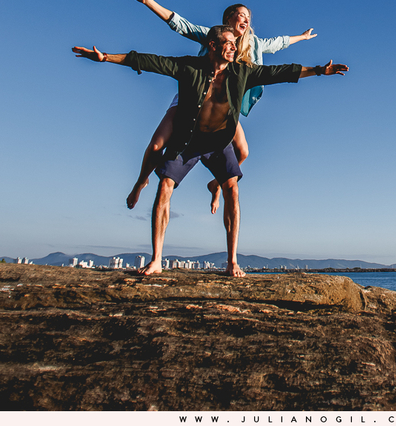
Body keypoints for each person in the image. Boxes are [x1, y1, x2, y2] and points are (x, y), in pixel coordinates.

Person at [72, 26, 347, 277]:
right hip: (187, 141)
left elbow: (282, 73)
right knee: (164, 187)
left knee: (232, 189)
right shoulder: (189, 67)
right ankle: (156, 259)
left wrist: (319, 71)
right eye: (228, 43)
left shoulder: (242, 72)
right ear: (213, 45)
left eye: (234, 44)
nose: (234, 47)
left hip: (218, 144)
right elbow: (147, 61)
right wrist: (106, 57)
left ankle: (232, 261)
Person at [124, 0, 317, 213]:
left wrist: (302, 38)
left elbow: (279, 43)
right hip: (191, 101)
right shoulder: (211, 36)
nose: (246, 19)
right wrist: (148, 2)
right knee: (157, 145)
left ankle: (215, 184)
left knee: (243, 152)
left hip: (223, 109)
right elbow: (181, 25)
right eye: (241, 15)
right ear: (229, 18)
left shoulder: (253, 44)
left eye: (248, 16)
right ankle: (141, 181)